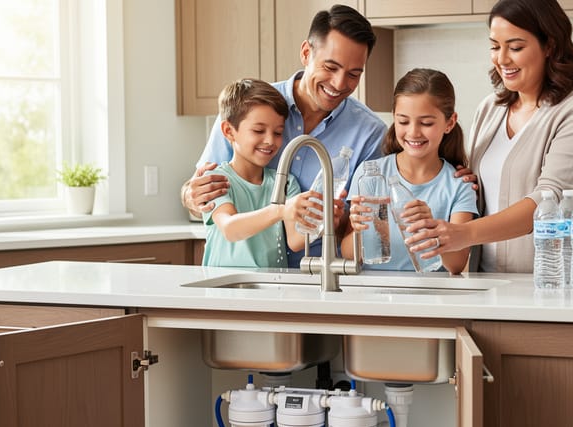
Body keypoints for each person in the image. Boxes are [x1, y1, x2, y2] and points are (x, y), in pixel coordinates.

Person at [405, 0, 573, 273]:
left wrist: (463, 233)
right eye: (494, 46)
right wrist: (468, 180)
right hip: (488, 284)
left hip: (555, 283)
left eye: (515, 47)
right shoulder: (490, 109)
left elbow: (546, 203)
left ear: (549, 45)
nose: (502, 58)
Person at [184, 5, 387, 268]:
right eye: (330, 67)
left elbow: (362, 229)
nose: (339, 83)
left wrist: (338, 224)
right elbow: (200, 195)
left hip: (323, 274)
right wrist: (191, 196)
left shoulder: (370, 133)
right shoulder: (250, 108)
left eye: (353, 74)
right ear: (306, 53)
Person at [342, 68, 478, 274]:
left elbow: (457, 265)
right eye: (403, 121)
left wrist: (432, 228)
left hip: (432, 299)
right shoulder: (370, 174)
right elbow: (347, 253)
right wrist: (361, 231)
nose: (413, 132)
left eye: (426, 123)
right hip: (371, 296)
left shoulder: (459, 186)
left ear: (449, 123)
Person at [201, 79, 307, 268]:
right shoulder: (216, 181)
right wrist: (280, 210)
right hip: (223, 287)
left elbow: (295, 241)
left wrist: (323, 220)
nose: (270, 141)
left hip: (273, 287)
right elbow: (230, 229)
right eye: (258, 130)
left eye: (278, 132)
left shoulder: (286, 183)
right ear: (229, 131)